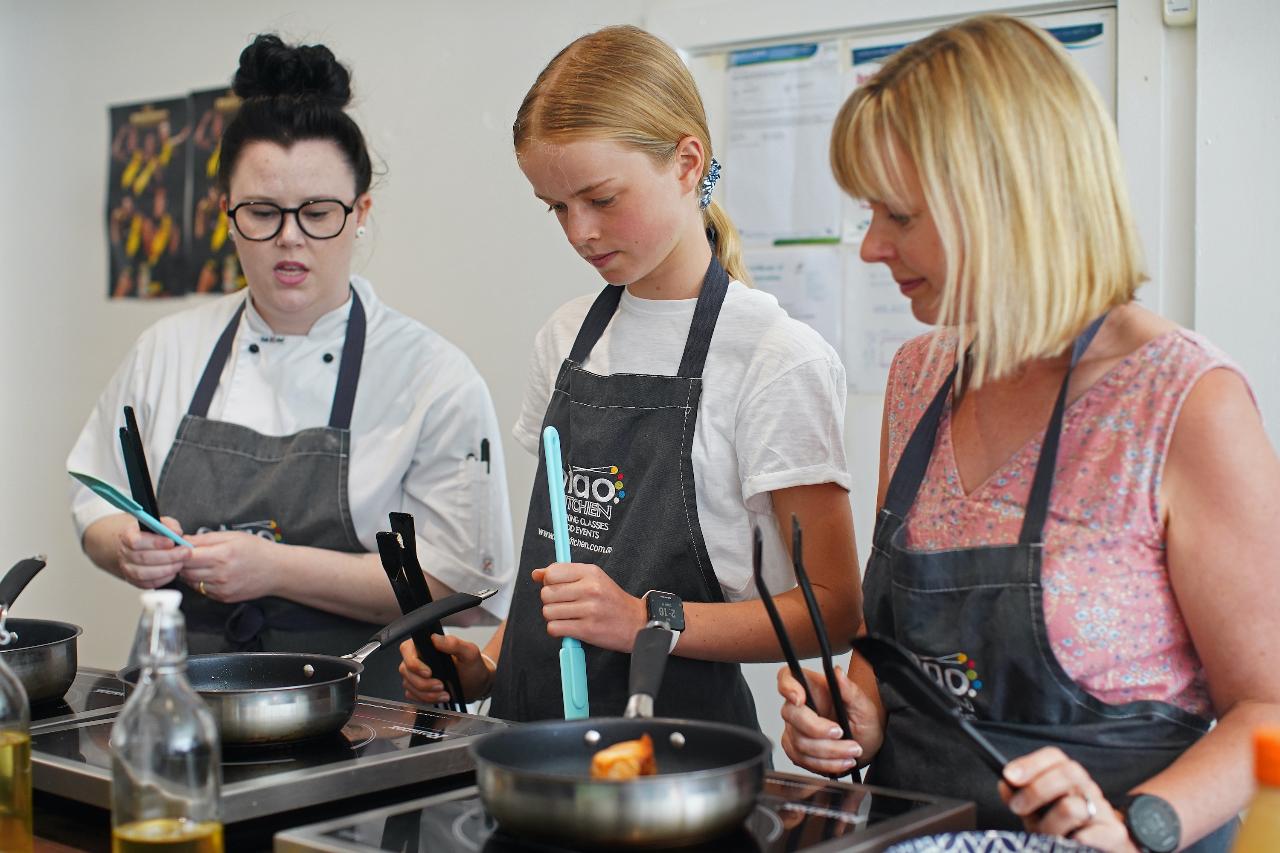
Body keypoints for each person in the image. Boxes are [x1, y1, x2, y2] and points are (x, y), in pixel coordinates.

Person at [776, 14, 1280, 852]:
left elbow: (1268, 711)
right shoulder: (918, 378)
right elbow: (892, 645)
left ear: (1009, 199)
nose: (870, 247)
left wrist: (1134, 825)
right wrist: (858, 713)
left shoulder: (1183, 401)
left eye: (898, 215)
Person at [400, 25, 860, 727]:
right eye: (556, 207)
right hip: (524, 738)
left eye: (601, 198)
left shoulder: (774, 358)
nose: (579, 232)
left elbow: (832, 610)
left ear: (685, 162)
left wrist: (648, 620)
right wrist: (489, 660)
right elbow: (562, 548)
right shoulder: (566, 339)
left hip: (679, 760)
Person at [69, 34, 515, 700]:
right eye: (262, 212)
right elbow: (95, 501)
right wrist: (124, 546)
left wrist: (274, 568)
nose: (289, 238)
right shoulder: (167, 350)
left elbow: (455, 582)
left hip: (360, 719)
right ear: (226, 213)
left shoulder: (431, 377)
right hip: (180, 700)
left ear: (361, 212)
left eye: (317, 213)